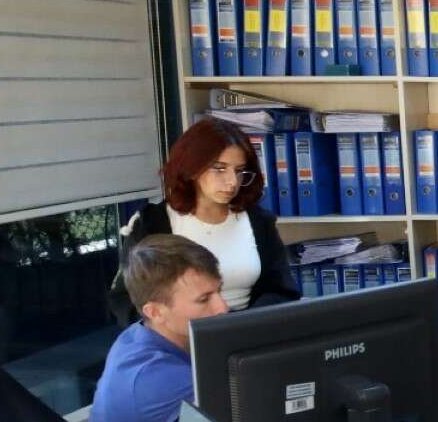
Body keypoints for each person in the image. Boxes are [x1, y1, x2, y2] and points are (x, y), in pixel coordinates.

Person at [106, 118, 297, 325]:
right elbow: (124, 299)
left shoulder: (258, 221)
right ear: (192, 168)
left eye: (239, 171)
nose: (232, 182)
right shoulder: (151, 223)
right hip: (179, 337)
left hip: (250, 330)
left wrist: (243, 325)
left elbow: (282, 290)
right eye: (220, 169)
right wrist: (172, 331)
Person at [79, 235, 228, 422]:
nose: (223, 307)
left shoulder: (139, 335)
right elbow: (253, 420)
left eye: (220, 291)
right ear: (155, 312)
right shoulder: (153, 376)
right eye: (204, 299)